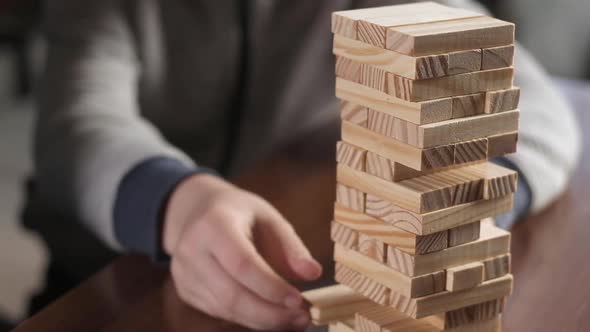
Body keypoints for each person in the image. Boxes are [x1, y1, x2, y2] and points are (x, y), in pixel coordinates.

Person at [24, 0, 581, 330]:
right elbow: (77, 129)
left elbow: (530, 104)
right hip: (104, 278)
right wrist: (177, 201)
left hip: (304, 268)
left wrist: (460, 203)